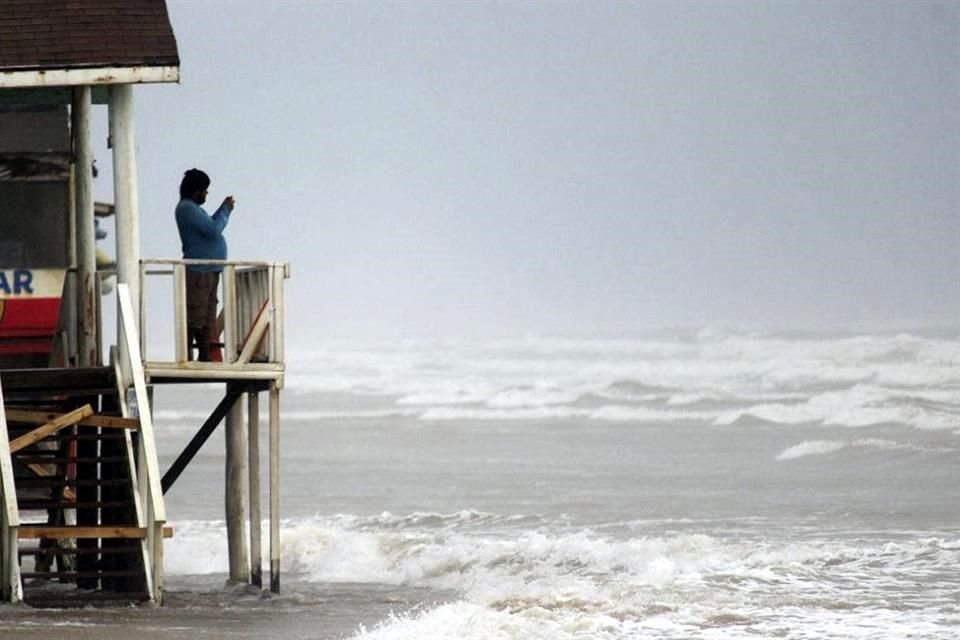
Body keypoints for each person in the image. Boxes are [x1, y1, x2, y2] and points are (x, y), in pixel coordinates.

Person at [175, 168, 235, 361]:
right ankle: (188, 356)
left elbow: (209, 224)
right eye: (205, 191)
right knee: (196, 314)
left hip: (209, 270)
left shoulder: (193, 210)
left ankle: (205, 354)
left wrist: (222, 209)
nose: (206, 194)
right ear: (196, 190)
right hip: (199, 271)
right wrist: (225, 210)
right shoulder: (187, 209)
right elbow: (213, 229)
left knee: (208, 314)